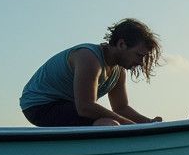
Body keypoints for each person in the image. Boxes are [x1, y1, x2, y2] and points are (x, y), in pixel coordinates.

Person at [20, 18, 163, 127]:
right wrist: (130, 126)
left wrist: (149, 123)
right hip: (39, 106)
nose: (140, 62)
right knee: (108, 124)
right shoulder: (89, 59)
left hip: (69, 105)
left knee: (111, 121)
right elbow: (85, 107)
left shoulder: (118, 72)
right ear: (121, 44)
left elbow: (121, 108)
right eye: (139, 55)